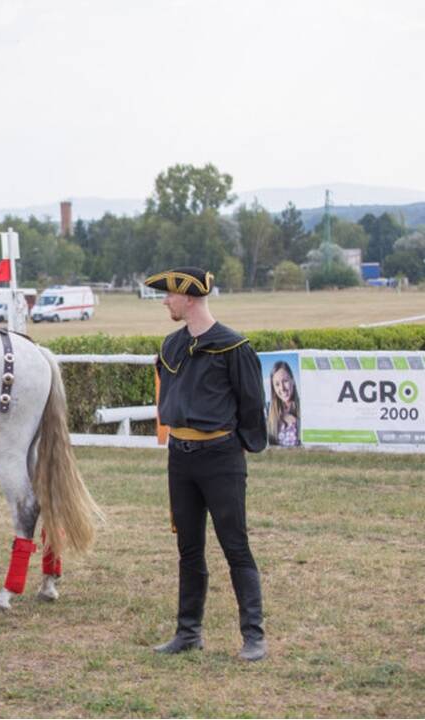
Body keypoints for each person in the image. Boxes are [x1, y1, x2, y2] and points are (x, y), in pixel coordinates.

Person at [145, 267, 268, 661]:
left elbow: (252, 405)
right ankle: (188, 632)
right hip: (180, 458)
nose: (165, 300)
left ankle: (254, 636)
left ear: (190, 298)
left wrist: (236, 449)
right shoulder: (171, 345)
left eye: (169, 295)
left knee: (236, 546)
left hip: (220, 458)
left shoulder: (234, 347)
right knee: (189, 548)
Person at [266, 361, 300, 447]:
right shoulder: (267, 411)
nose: (282, 388)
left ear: (293, 380)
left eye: (285, 381)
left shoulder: (304, 408)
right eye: (277, 384)